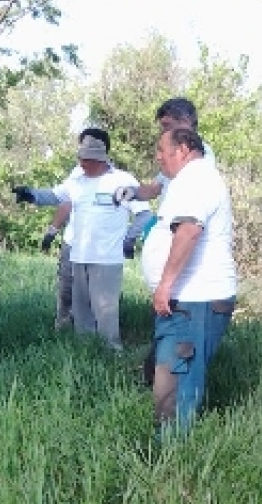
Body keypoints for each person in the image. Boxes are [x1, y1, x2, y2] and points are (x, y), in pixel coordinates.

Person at [141, 128, 236, 433]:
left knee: (179, 379)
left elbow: (189, 230)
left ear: (182, 149)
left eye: (161, 150)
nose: (158, 156)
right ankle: (167, 448)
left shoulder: (197, 178)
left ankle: (173, 454)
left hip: (196, 300)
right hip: (186, 302)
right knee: (170, 376)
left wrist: (165, 284)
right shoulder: (188, 180)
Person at [42, 134, 151, 349]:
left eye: (86, 158)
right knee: (75, 303)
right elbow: (60, 201)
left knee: (105, 308)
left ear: (99, 158)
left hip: (105, 257)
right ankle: (84, 349)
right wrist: (51, 230)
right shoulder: (77, 177)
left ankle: (112, 352)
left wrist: (129, 240)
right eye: (80, 155)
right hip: (77, 251)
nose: (81, 162)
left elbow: (145, 214)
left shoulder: (122, 180)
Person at [12, 128, 112, 329]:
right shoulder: (78, 173)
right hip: (73, 244)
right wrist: (31, 195)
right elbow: (61, 197)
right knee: (66, 289)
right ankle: (64, 328)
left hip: (101, 249)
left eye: (87, 146)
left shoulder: (117, 179)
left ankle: (97, 339)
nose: (82, 154)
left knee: (97, 296)